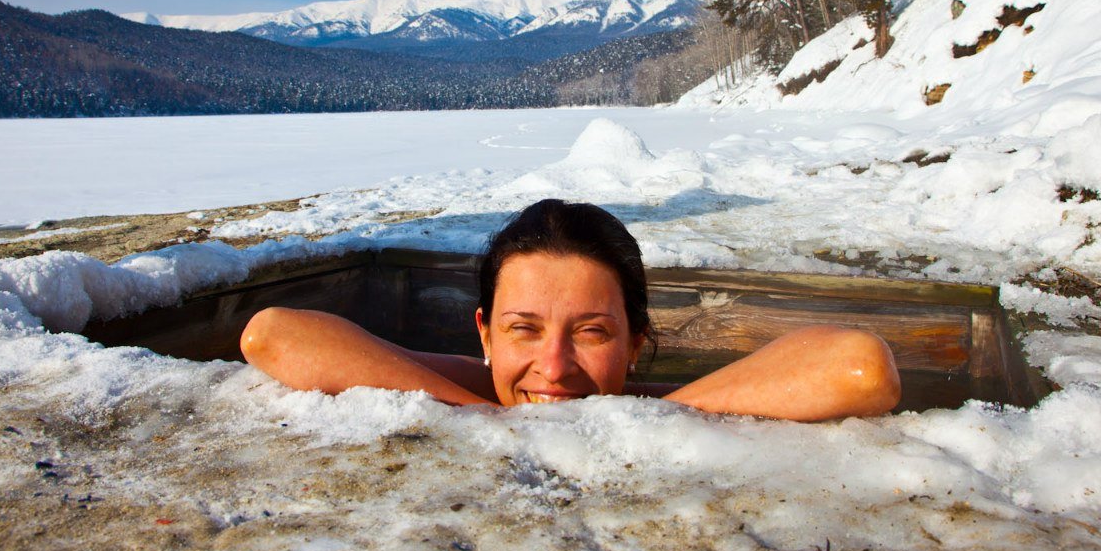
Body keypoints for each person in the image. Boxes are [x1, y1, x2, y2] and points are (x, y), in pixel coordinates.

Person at [241, 199, 901, 421]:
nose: (553, 369)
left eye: (591, 332)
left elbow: (861, 367)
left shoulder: (658, 407)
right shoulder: (471, 393)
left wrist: (653, 424)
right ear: (485, 332)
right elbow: (271, 334)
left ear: (636, 342)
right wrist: (488, 422)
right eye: (523, 328)